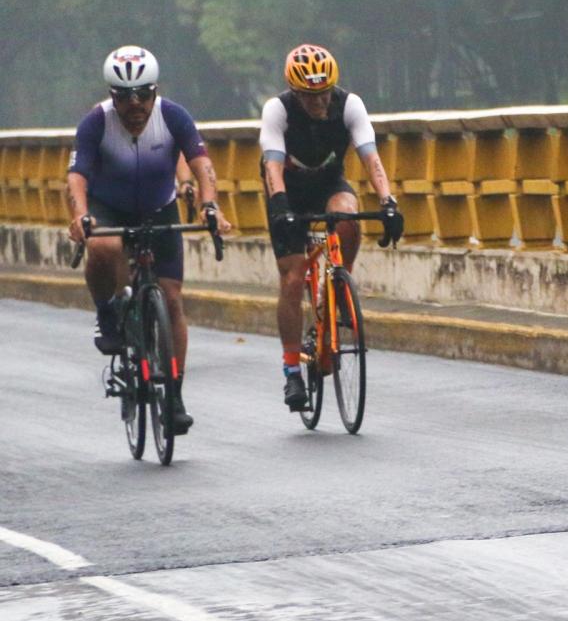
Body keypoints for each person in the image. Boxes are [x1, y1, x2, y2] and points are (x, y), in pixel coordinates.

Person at [67, 45, 230, 434]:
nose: (135, 104)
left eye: (143, 94)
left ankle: (173, 396)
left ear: (155, 92)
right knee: (103, 247)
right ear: (112, 95)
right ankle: (108, 310)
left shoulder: (173, 116)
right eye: (124, 96)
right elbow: (77, 177)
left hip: (159, 208)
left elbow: (201, 164)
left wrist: (210, 206)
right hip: (110, 209)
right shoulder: (96, 123)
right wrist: (80, 216)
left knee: (171, 299)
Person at [259, 44, 403, 412]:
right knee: (293, 278)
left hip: (327, 185)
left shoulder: (349, 105)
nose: (320, 102)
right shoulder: (278, 110)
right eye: (310, 96)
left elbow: (371, 158)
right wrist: (280, 207)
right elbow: (273, 164)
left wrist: (388, 202)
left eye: (324, 92)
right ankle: (291, 369)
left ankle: (339, 286)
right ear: (295, 92)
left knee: (348, 215)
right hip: (287, 191)